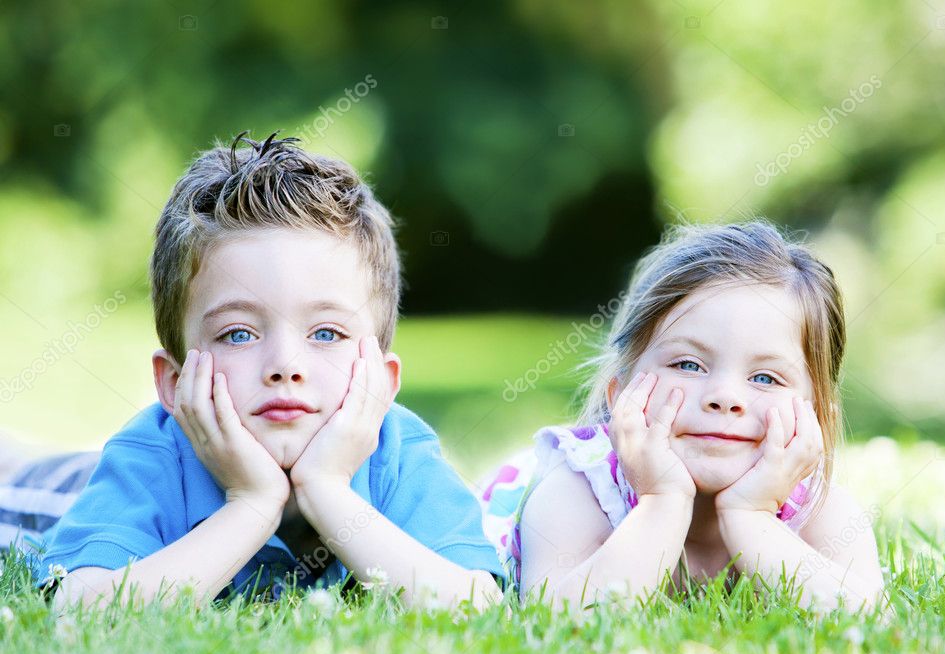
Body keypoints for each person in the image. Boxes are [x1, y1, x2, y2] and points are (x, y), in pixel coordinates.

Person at [13, 131, 505, 612]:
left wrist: (327, 490)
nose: (285, 367)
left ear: (384, 381)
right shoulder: (151, 457)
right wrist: (251, 503)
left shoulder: (401, 457)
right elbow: (85, 612)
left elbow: (476, 607)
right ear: (173, 381)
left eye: (327, 334)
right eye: (239, 334)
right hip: (53, 492)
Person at [480, 222, 885, 614]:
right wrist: (661, 501)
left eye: (765, 377)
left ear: (817, 418)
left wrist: (752, 515)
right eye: (688, 365)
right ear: (620, 394)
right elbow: (561, 619)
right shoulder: (577, 491)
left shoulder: (819, 510)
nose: (724, 398)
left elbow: (866, 618)